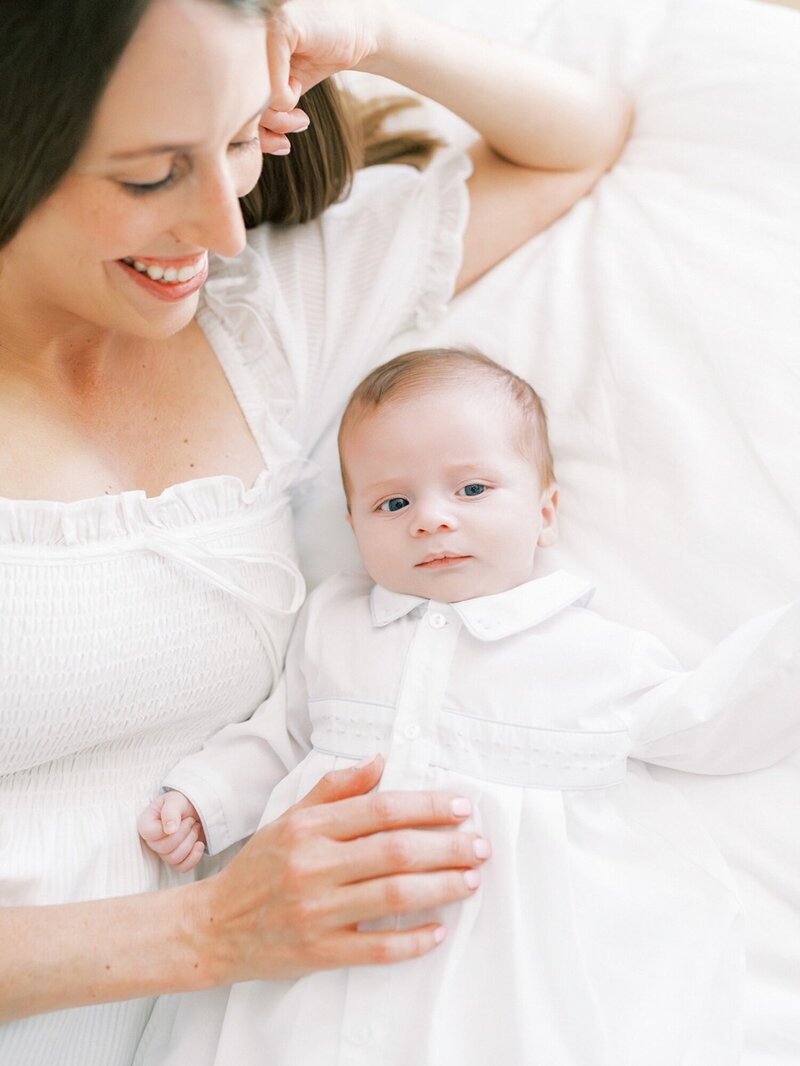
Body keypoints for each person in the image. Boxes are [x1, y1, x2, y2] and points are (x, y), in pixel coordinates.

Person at [0, 0, 635, 1061]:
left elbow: (574, 140)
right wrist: (204, 928)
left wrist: (369, 36)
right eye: (151, 172)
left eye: (244, 139)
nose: (218, 226)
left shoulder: (263, 317)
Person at [139, 347, 800, 1066]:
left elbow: (701, 718)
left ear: (546, 513)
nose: (430, 520)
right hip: (322, 940)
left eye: (473, 490)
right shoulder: (337, 622)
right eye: (393, 503)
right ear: (356, 528)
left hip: (499, 958)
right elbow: (280, 734)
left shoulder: (585, 648)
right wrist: (204, 798)